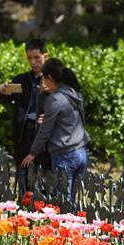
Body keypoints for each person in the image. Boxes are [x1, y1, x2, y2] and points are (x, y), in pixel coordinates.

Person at [21, 59, 90, 201]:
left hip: (65, 154)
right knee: (73, 198)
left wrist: (33, 153)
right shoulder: (74, 93)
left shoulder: (56, 98)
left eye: (44, 79)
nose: (44, 84)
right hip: (81, 151)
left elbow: (45, 131)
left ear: (50, 78)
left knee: (63, 200)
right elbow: (78, 120)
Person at [0, 39, 50, 196]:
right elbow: (1, 98)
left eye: (37, 57)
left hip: (43, 134)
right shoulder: (21, 80)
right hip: (23, 132)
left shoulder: (54, 79)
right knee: (23, 171)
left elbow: (69, 102)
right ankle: (24, 203)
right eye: (29, 58)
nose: (33, 62)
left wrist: (52, 91)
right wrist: (2, 91)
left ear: (46, 56)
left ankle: (44, 206)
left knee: (43, 173)